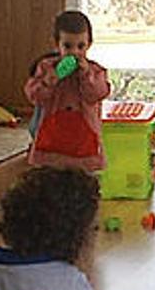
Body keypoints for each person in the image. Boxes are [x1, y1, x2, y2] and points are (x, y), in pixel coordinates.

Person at [24, 11, 111, 172]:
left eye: (80, 46)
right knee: (49, 178)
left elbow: (97, 94)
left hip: (83, 139)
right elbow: (34, 96)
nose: (74, 52)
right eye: (67, 46)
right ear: (57, 44)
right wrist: (49, 81)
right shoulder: (46, 68)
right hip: (53, 139)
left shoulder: (95, 71)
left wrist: (86, 75)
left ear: (89, 44)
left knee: (84, 181)